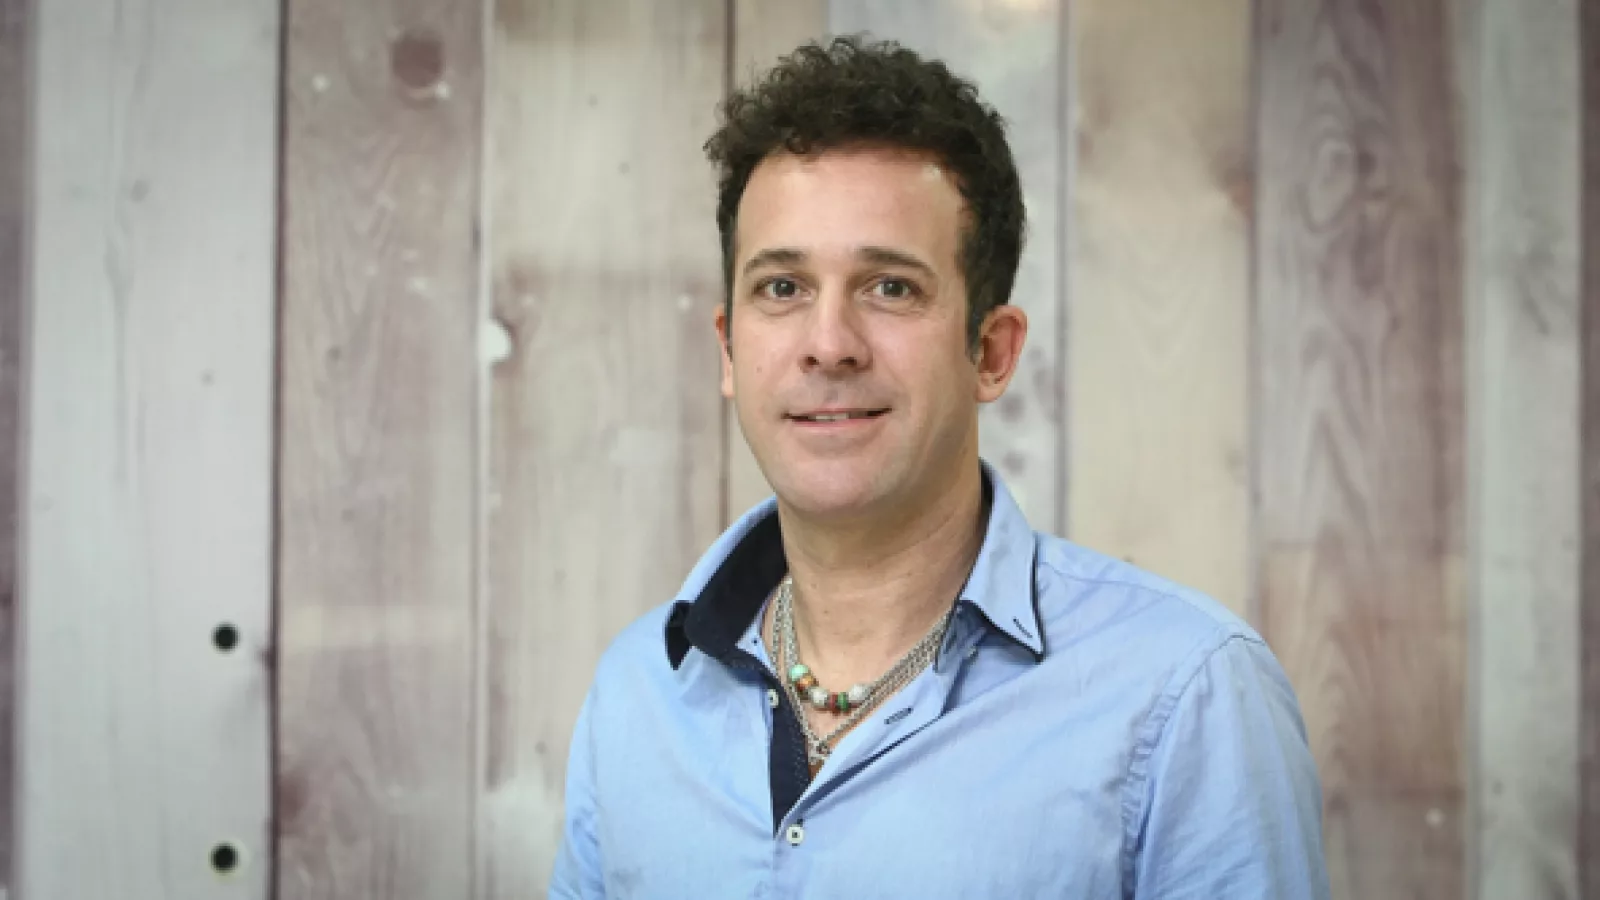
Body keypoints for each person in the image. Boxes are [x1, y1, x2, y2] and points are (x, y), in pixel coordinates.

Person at [548, 35, 1329, 899]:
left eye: (890, 287)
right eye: (782, 287)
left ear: (990, 352)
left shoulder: (1186, 697)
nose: (829, 345)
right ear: (730, 349)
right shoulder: (638, 694)